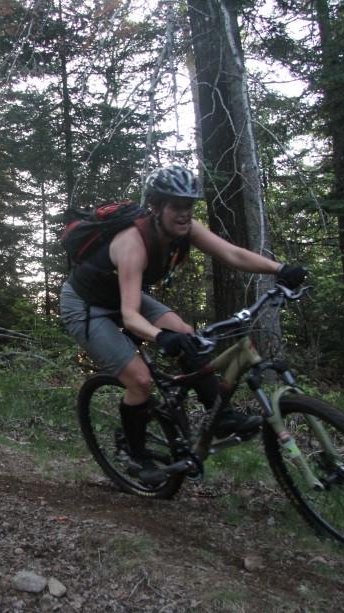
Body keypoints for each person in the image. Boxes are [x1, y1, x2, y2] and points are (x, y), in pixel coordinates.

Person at [60, 165, 307, 484]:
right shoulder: (132, 243)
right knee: (140, 380)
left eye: (188, 206)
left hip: (120, 295)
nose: (184, 214)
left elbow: (232, 254)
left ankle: (217, 416)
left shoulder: (188, 229)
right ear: (157, 207)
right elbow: (131, 316)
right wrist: (161, 337)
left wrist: (280, 268)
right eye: (176, 206)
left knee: (187, 334)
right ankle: (133, 453)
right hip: (85, 305)